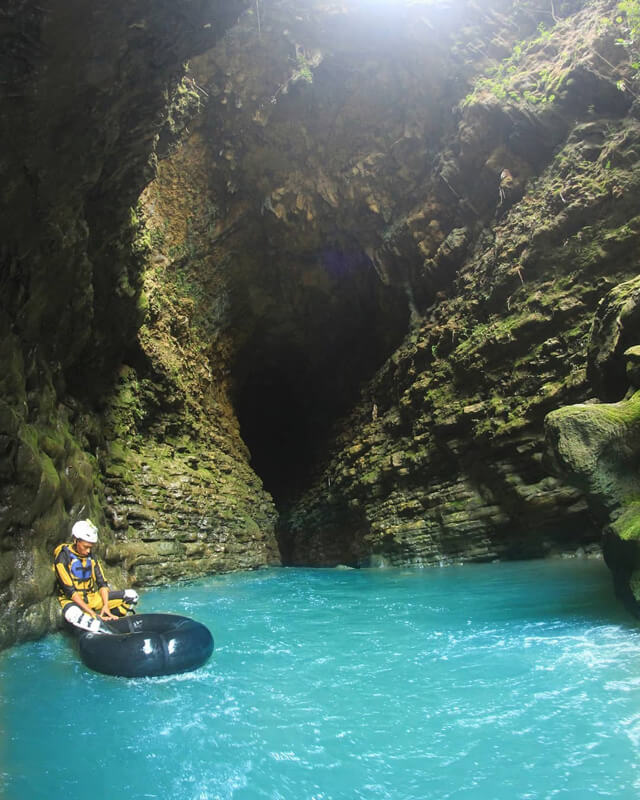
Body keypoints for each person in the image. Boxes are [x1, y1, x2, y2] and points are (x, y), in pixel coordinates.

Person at [53, 519, 139, 633]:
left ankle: (109, 621)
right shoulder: (63, 558)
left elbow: (102, 584)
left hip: (92, 598)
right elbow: (71, 593)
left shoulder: (91, 557)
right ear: (76, 540)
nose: (88, 551)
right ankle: (96, 624)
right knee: (73, 614)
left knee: (132, 596)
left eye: (91, 547)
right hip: (72, 602)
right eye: (86, 547)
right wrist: (92, 613)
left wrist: (106, 606)